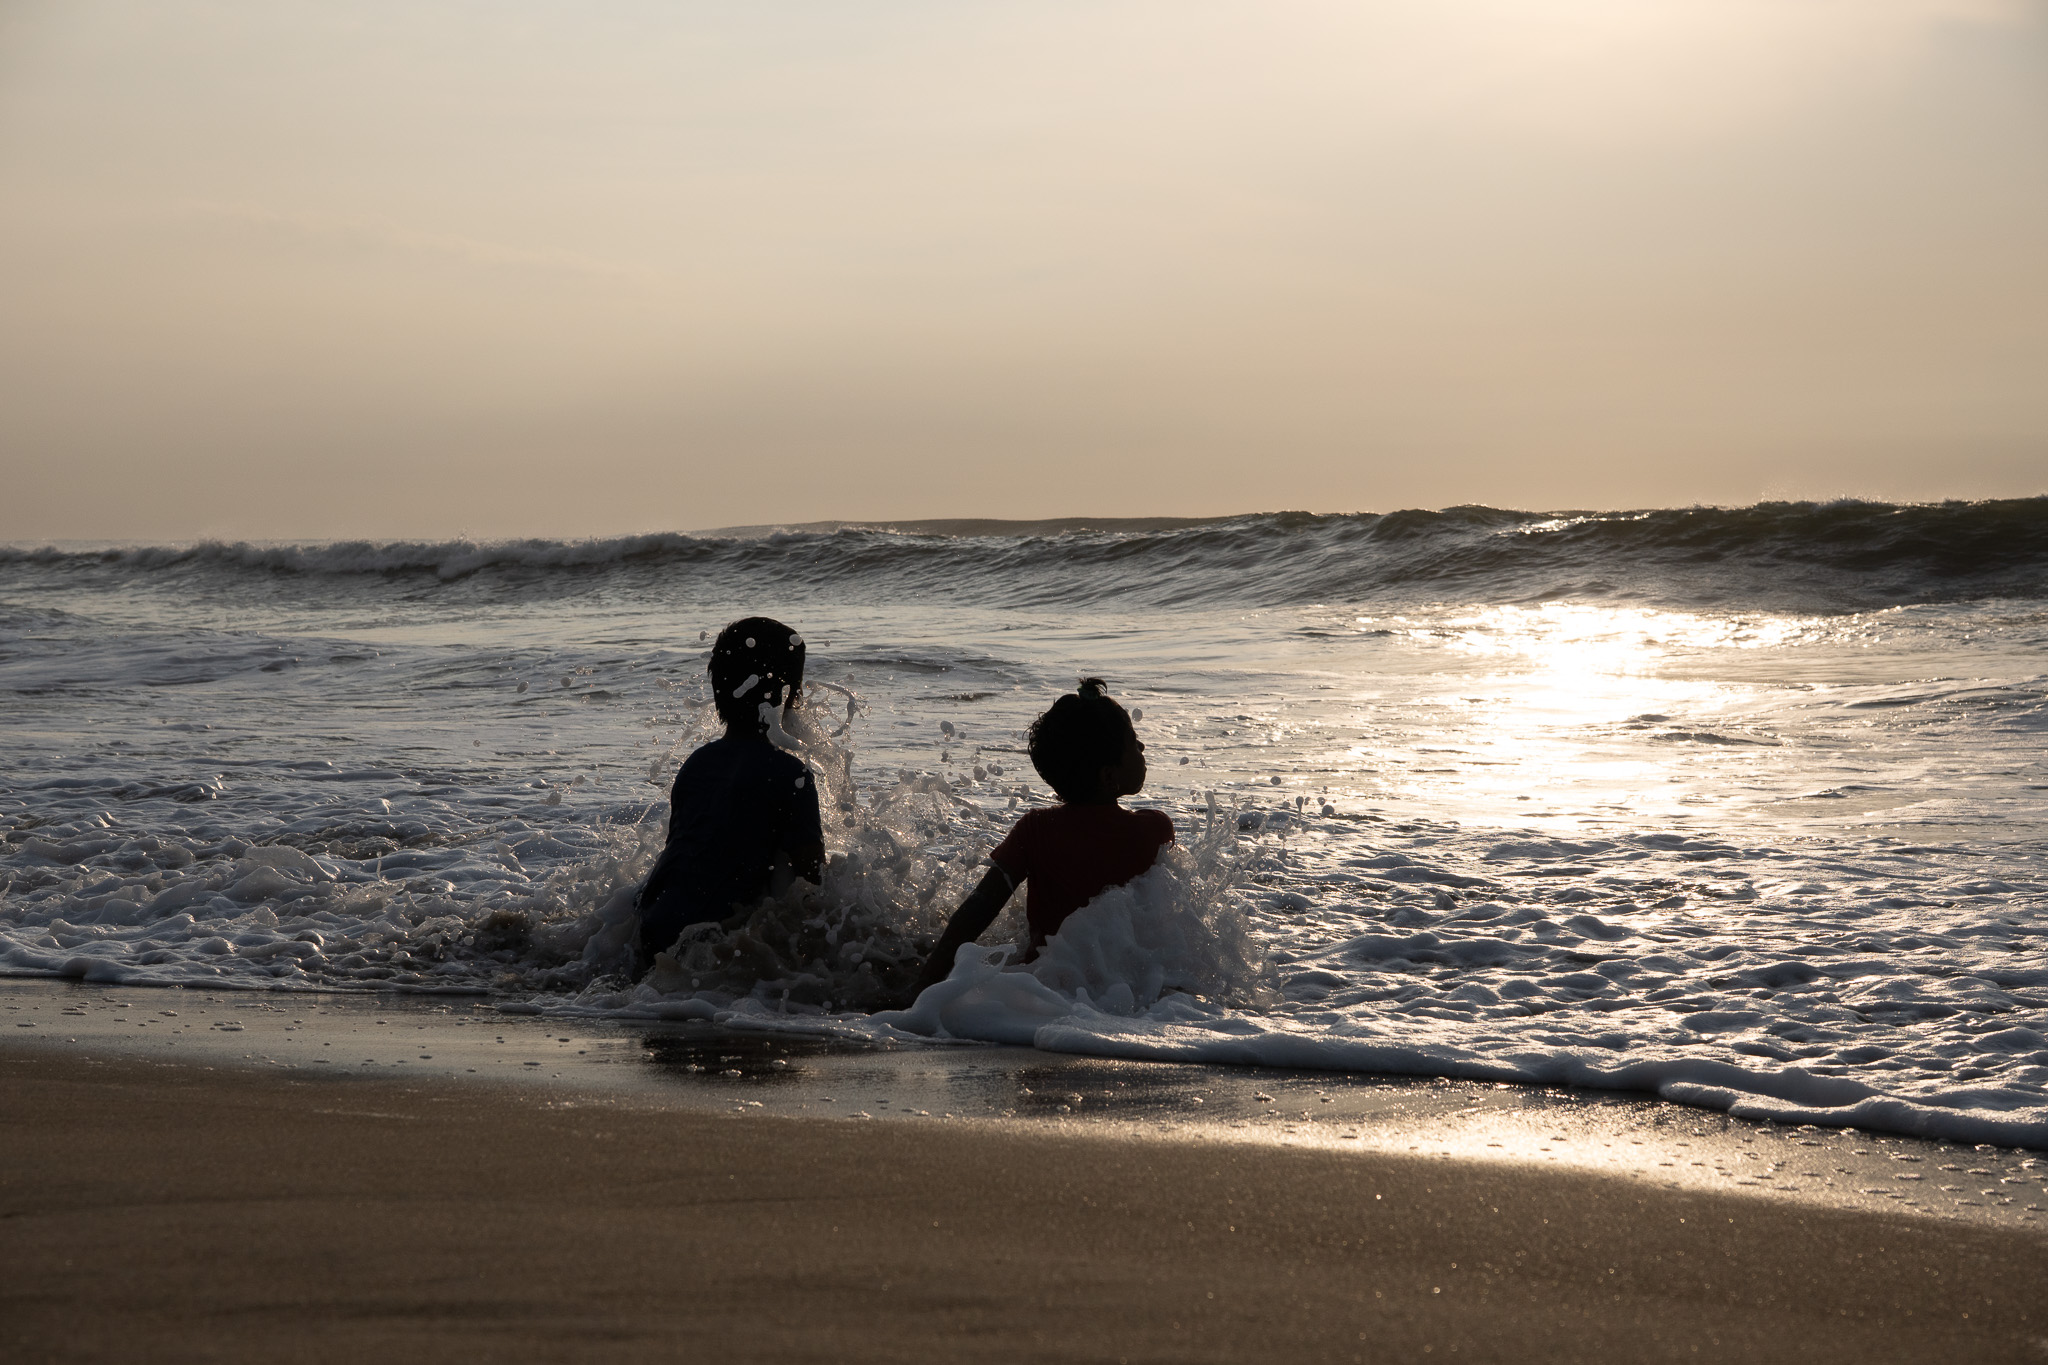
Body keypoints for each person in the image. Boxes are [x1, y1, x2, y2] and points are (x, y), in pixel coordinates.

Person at [907, 678, 1172, 996]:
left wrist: (923, 986)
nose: (1141, 747)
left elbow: (978, 908)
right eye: (1133, 741)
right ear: (1109, 776)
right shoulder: (1153, 830)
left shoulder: (1035, 830)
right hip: (1130, 993)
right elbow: (1170, 930)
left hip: (1042, 991)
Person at [635, 616, 824, 970]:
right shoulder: (790, 775)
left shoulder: (697, 765)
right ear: (790, 695)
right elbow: (812, 888)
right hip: (704, 945)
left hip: (651, 920)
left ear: (717, 689)